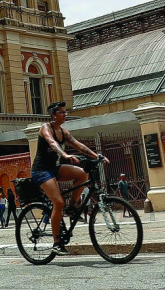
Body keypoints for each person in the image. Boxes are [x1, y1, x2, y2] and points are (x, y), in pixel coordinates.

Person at [31, 100, 108, 255]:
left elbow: (79, 145)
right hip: (41, 171)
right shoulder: (45, 128)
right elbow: (52, 143)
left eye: (66, 112)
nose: (65, 114)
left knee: (82, 174)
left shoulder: (63, 131)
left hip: (54, 168)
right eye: (62, 112)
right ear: (53, 114)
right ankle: (57, 243)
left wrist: (97, 156)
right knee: (58, 202)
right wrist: (65, 154)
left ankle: (72, 207)